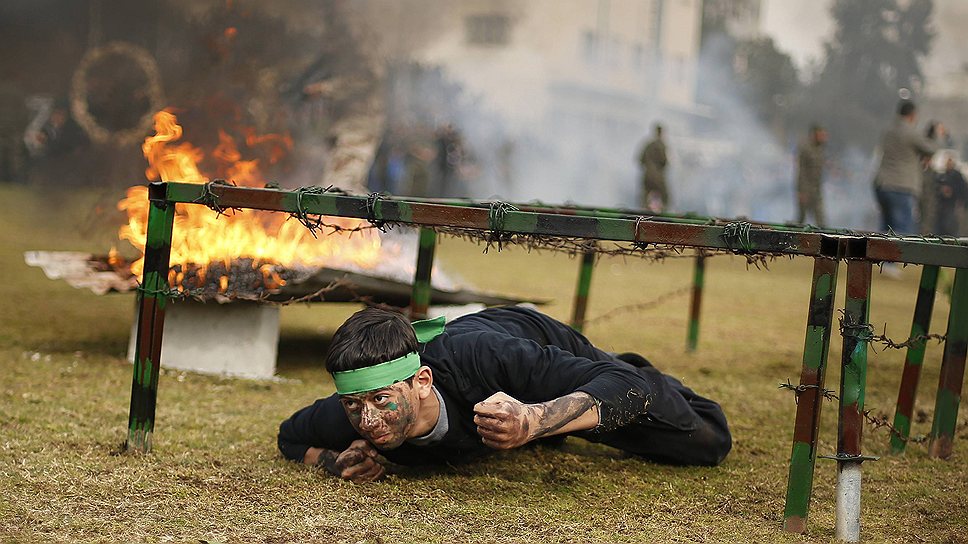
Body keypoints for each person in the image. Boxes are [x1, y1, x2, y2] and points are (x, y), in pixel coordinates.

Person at [278, 306, 732, 483]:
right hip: (501, 372)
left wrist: (533, 421)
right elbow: (290, 436)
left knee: (707, 441)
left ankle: (605, 363)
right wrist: (333, 459)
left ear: (422, 382)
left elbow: (631, 390)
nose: (368, 421)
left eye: (380, 400)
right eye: (353, 406)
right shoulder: (353, 419)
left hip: (535, 355)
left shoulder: (485, 359)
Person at [873, 101, 940, 236]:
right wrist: (937, 135)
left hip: (882, 184)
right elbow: (931, 149)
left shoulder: (888, 131)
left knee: (885, 232)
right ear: (912, 115)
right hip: (900, 186)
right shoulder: (910, 132)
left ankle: (880, 257)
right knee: (902, 233)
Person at [796, 125, 828, 226]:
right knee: (801, 218)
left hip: (816, 190)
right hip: (806, 189)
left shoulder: (820, 149)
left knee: (820, 219)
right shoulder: (805, 149)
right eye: (821, 135)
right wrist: (801, 191)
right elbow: (801, 171)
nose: (823, 138)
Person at [934, 154, 968, 236]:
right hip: (942, 206)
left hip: (953, 205)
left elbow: (962, 190)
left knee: (951, 228)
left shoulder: (957, 176)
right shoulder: (942, 176)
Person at [638, 124, 669, 212]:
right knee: (665, 195)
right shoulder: (661, 145)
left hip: (647, 174)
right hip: (657, 175)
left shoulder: (648, 145)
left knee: (645, 196)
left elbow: (640, 159)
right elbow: (664, 161)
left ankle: (644, 211)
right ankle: (664, 213)